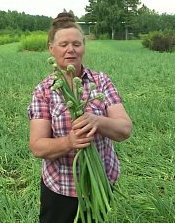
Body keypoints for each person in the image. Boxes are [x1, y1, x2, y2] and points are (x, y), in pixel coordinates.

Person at [27, 12, 133, 223]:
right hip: (60, 187)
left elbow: (124, 129)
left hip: (100, 181)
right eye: (63, 44)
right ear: (51, 49)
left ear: (83, 47)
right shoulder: (44, 90)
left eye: (76, 43)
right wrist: (69, 142)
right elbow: (37, 146)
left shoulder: (100, 81)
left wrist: (98, 120)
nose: (70, 49)